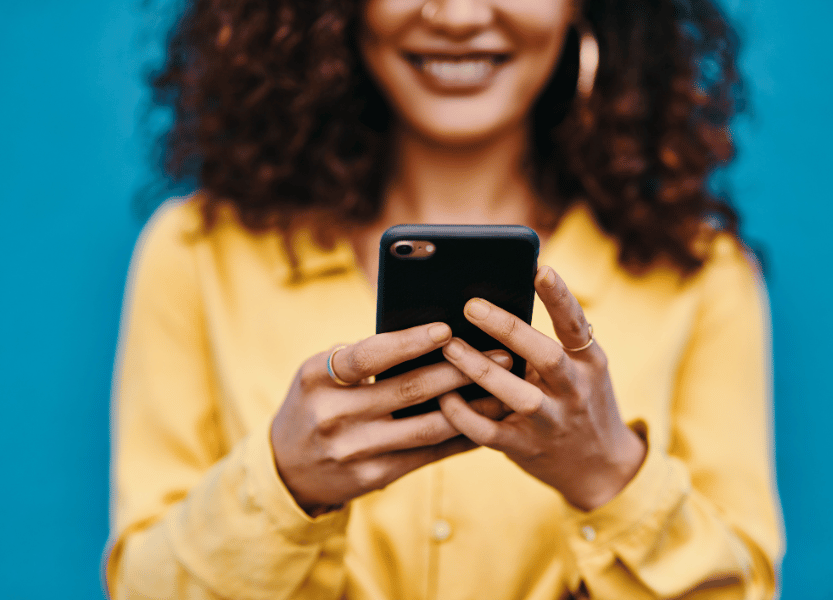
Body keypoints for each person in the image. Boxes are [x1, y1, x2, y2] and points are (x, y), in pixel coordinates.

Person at [105, 0, 784, 598]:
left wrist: (611, 478)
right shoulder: (195, 252)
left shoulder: (701, 274)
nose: (458, 15)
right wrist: (283, 487)